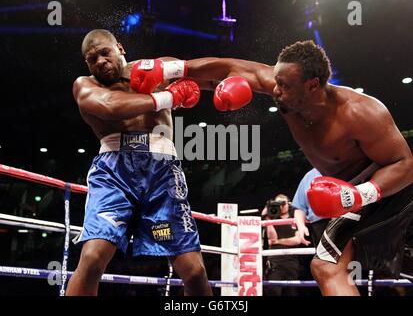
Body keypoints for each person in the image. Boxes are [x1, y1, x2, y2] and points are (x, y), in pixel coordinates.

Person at [135, 39, 413, 295]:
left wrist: (359, 193)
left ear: (313, 85)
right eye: (276, 81)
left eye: (285, 86)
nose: (275, 90)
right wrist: (172, 69)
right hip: (352, 197)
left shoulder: (360, 111)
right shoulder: (282, 87)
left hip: (387, 189)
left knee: (333, 267)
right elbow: (226, 68)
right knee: (327, 267)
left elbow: (405, 163)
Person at [66, 29, 212, 296]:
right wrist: (170, 97)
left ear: (120, 48)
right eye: (92, 59)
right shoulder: (86, 85)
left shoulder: (158, 70)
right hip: (114, 171)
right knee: (92, 258)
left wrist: (255, 79)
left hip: (162, 170)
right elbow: (109, 105)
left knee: (194, 271)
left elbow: (205, 73)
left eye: (104, 53)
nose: (99, 61)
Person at [261, 194, 301, 296]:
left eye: (284, 203)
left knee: (292, 293)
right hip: (275, 262)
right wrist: (267, 219)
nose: (282, 206)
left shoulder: (295, 217)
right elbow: (272, 238)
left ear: (289, 203)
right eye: (278, 203)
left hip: (291, 262)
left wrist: (278, 241)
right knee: (273, 291)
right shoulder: (273, 218)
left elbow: (297, 240)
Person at [292, 168, 329, 247]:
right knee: (323, 257)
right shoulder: (310, 176)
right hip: (319, 225)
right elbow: (299, 207)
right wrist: (301, 226)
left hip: (347, 220)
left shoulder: (346, 167)